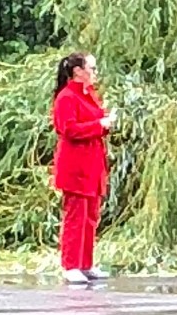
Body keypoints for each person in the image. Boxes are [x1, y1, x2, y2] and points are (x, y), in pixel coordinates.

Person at [50, 52, 117, 284]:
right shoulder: (66, 97)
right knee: (76, 216)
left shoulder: (89, 95)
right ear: (78, 71)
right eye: (92, 68)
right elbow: (68, 129)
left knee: (90, 216)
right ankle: (70, 265)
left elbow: (94, 122)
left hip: (92, 163)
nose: (95, 73)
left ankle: (85, 263)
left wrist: (104, 123)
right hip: (75, 165)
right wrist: (99, 125)